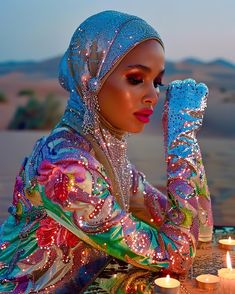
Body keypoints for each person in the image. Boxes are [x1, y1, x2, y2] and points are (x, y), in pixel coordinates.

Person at [0, 10, 213, 293]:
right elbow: (177, 255)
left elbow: (201, 229)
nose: (153, 95)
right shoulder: (67, 168)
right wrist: (181, 138)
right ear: (92, 78)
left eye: (157, 82)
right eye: (136, 78)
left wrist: (189, 143)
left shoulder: (108, 157)